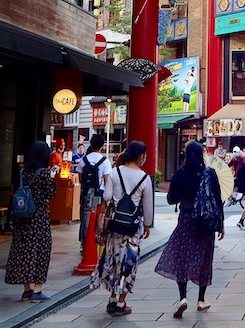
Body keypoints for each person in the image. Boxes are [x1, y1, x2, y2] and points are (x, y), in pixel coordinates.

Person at [155, 141, 225, 317]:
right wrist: (221, 225)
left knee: (182, 257)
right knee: (204, 258)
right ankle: (201, 300)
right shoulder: (209, 173)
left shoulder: (180, 173)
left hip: (186, 219)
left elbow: (171, 199)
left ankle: (182, 298)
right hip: (205, 223)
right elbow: (217, 199)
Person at [92, 140, 154, 317]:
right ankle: (121, 302)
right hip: (133, 227)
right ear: (141, 156)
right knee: (128, 263)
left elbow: (107, 196)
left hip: (115, 224)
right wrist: (147, 225)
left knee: (113, 260)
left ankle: (112, 299)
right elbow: (148, 206)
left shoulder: (115, 172)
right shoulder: (144, 178)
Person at [5, 140, 58, 302]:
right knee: (41, 252)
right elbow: (50, 193)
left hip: (22, 218)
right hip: (39, 219)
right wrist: (52, 176)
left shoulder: (23, 172)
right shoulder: (43, 174)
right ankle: (38, 289)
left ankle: (27, 290)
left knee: (23, 253)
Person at [76, 134, 111, 242]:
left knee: (85, 218)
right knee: (97, 219)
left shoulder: (84, 160)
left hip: (86, 193)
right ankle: (95, 241)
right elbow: (107, 181)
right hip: (99, 194)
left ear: (91, 144)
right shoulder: (105, 161)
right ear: (102, 146)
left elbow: (80, 177)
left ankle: (84, 242)